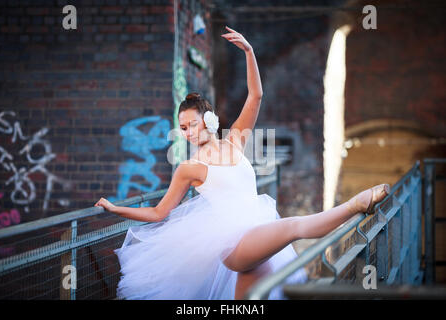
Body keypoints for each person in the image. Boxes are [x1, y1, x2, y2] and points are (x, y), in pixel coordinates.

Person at [94, 26, 390, 300]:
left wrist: (249, 52)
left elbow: (256, 95)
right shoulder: (189, 168)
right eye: (182, 128)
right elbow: (159, 212)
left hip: (257, 229)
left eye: (193, 125)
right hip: (233, 243)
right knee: (295, 226)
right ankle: (355, 205)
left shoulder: (235, 139)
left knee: (251, 299)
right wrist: (115, 208)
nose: (188, 133)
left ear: (209, 121)